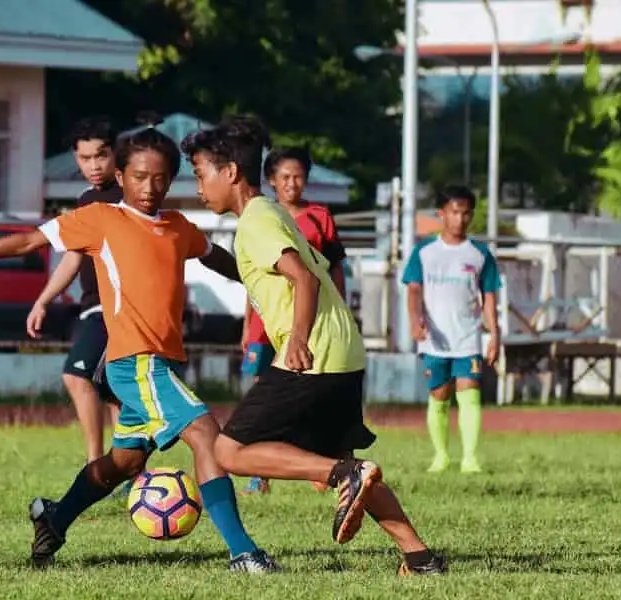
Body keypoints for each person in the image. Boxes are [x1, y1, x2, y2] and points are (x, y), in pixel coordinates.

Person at [0, 116, 280, 573]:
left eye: (161, 178)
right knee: (206, 436)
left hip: (160, 365)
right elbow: (28, 240)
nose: (150, 187)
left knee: (121, 464)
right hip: (135, 363)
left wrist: (273, 274)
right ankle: (243, 553)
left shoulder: (178, 227)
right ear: (120, 176)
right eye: (140, 176)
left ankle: (54, 517)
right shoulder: (101, 219)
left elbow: (223, 260)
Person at [183, 116, 448, 576]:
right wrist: (207, 254)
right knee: (349, 464)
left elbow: (302, 278)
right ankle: (419, 557)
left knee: (228, 451)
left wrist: (299, 340)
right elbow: (283, 270)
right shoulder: (272, 214)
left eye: (200, 173)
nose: (198, 186)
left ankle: (342, 477)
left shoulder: (255, 223)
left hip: (312, 353)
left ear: (230, 173)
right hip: (344, 351)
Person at [240, 146, 347, 496]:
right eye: (284, 176)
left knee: (310, 393)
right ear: (271, 180)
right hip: (264, 324)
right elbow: (252, 278)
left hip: (306, 322)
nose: (292, 183)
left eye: (298, 176)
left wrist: (340, 311)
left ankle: (321, 464)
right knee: (261, 395)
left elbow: (334, 269)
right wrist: (246, 326)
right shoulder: (261, 216)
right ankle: (261, 473)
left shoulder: (319, 217)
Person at [26, 117, 123, 466]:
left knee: (77, 375)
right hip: (91, 308)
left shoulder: (130, 198)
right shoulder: (86, 201)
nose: (94, 165)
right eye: (85, 158)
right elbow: (72, 258)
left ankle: (96, 468)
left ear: (116, 154)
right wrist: (43, 300)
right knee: (114, 393)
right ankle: (124, 471)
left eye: (101, 155)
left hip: (117, 310)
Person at [401, 185, 501, 475]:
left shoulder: (480, 254)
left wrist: (494, 335)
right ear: (441, 214)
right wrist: (414, 320)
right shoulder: (425, 252)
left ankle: (470, 459)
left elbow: (490, 297)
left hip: (468, 337)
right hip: (434, 339)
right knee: (440, 395)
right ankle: (441, 456)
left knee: (469, 392)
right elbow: (413, 291)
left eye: (466, 212)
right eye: (454, 212)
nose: (460, 219)